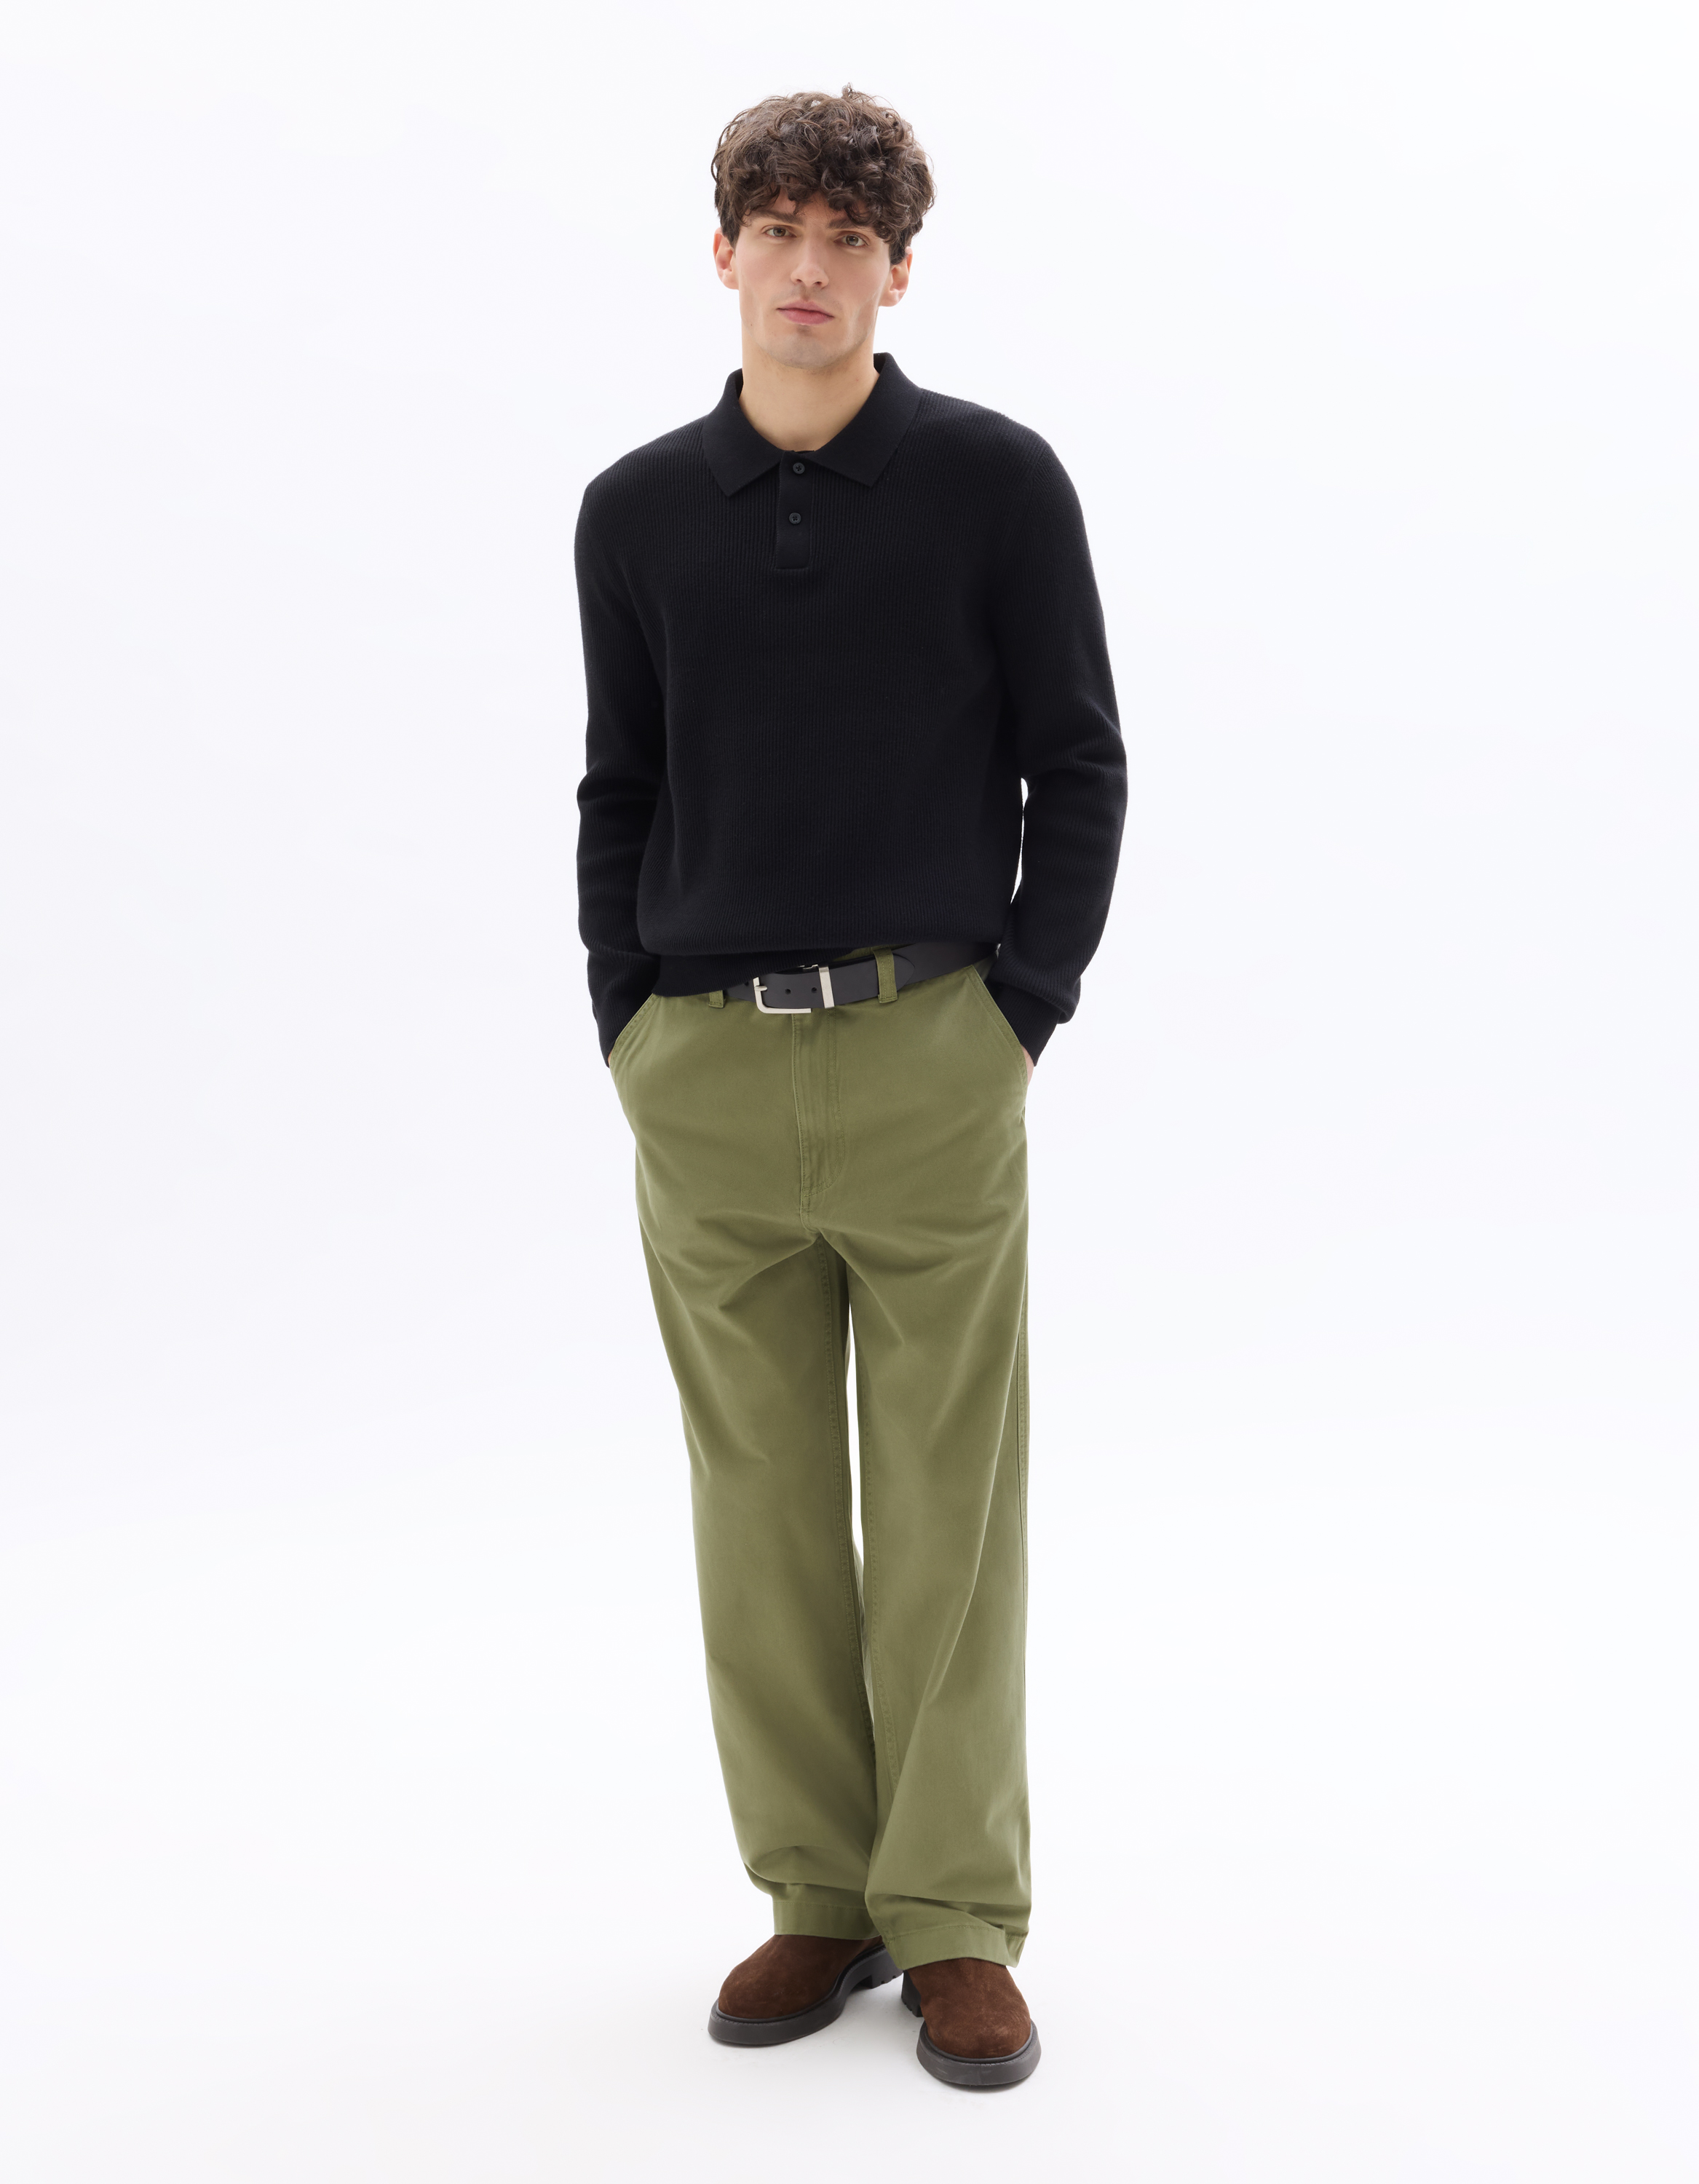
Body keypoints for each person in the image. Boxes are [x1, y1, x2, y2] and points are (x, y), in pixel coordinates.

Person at [574, 85, 1125, 2089]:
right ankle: (819, 1890)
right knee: (764, 1512)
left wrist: (1017, 1010)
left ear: (901, 271)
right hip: (705, 1073)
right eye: (780, 232)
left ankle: (956, 1915)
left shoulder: (994, 483)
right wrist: (631, 1020)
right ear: (723, 253)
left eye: (850, 240)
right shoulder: (635, 511)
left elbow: (1079, 762)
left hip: (929, 1056)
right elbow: (619, 780)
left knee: (952, 1505)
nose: (811, 270)